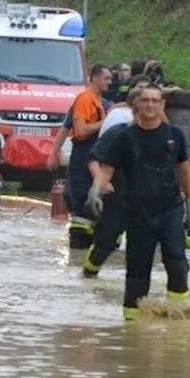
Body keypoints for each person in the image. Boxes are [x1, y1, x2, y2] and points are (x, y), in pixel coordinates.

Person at [87, 85, 190, 320]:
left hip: (169, 209)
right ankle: (132, 326)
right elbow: (107, 169)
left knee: (177, 261)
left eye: (155, 101)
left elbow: (185, 171)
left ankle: (178, 317)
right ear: (138, 104)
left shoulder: (174, 135)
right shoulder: (124, 138)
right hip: (138, 213)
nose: (150, 105)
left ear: (162, 105)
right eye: (146, 100)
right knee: (137, 274)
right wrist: (95, 192)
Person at [82, 81, 147, 277]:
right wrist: (99, 185)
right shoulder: (119, 132)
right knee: (107, 240)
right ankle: (88, 274)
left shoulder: (165, 134)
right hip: (117, 193)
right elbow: (94, 158)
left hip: (145, 198)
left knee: (146, 244)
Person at [63, 63, 112, 249]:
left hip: (93, 157)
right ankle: (78, 249)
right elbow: (81, 131)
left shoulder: (98, 100)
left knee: (93, 207)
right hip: (82, 158)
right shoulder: (85, 99)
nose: (110, 82)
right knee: (82, 205)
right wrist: (105, 122)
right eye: (106, 78)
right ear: (96, 78)